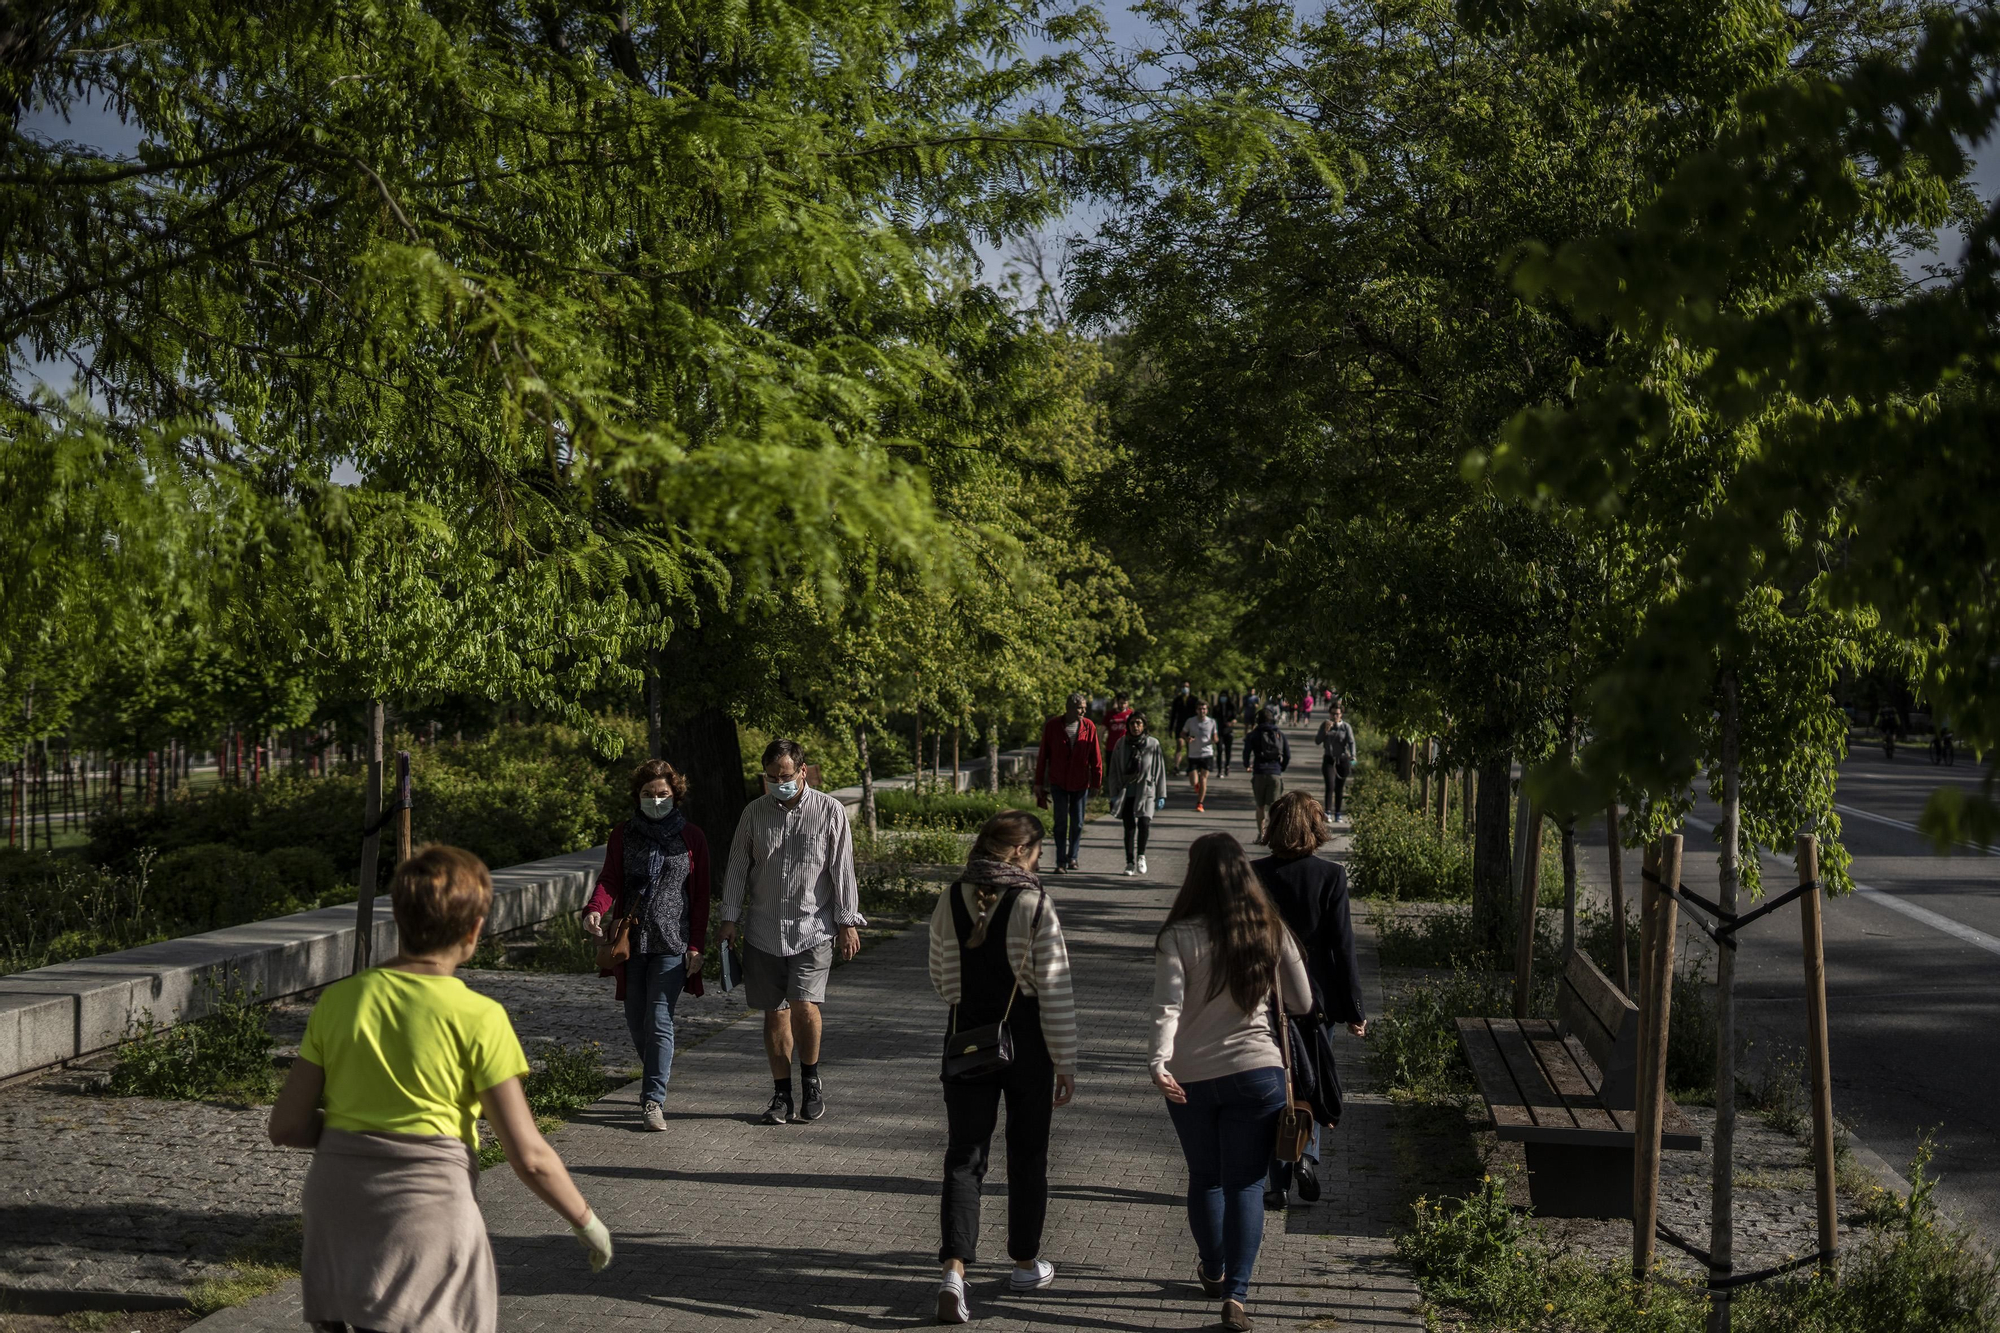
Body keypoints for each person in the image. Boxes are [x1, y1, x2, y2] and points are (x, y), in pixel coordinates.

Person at [268, 847, 613, 1333]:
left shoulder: (341, 999)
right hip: (425, 1213)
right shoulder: (479, 1017)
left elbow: (286, 1125)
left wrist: (359, 1134)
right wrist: (587, 1223)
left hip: (336, 1204)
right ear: (474, 930)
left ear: (401, 919)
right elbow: (529, 1155)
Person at [1150, 833, 1312, 1332]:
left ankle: (1214, 1270)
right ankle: (1236, 1297)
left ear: (1193, 876)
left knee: (1206, 1177)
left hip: (1191, 1077)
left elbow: (1168, 1007)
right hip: (1258, 1073)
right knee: (1245, 1182)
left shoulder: (1177, 934)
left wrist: (1159, 1062)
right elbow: (1303, 1002)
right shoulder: (1269, 929)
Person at [928, 811, 1079, 1324]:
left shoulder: (950, 898)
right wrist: (1066, 1060)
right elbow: (1055, 988)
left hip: (966, 1037)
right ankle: (1024, 1261)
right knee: (1027, 1151)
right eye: (1038, 851)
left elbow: (942, 980)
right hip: (1028, 1042)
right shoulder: (1035, 904)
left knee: (964, 1156)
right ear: (1021, 852)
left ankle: (954, 1270)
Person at [719, 739, 865, 1126]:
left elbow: (842, 870)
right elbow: (736, 867)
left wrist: (848, 921)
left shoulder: (829, 810)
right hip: (764, 929)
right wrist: (729, 919)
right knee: (775, 1013)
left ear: (802, 771)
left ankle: (811, 1080)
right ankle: (781, 1094)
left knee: (804, 1004)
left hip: (812, 926)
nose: (778, 783)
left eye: (785, 776)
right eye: (771, 777)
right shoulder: (753, 813)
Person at [581, 759, 711, 1131]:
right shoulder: (623, 834)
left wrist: (697, 946)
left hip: (673, 941)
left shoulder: (692, 838)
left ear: (676, 795)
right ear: (637, 797)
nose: (655, 800)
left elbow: (700, 897)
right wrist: (595, 910)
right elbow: (610, 879)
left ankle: (652, 1099)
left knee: (658, 1018)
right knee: (637, 1022)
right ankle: (658, 1069)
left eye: (662, 794)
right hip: (631, 941)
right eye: (648, 794)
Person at [1251, 793, 1366, 1209]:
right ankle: (1305, 1154)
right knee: (1311, 1077)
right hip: (1315, 1002)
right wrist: (1354, 1008)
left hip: (1265, 998)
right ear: (1316, 829)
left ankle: (1277, 1181)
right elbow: (1342, 947)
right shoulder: (1331, 876)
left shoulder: (1255, 874)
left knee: (1276, 1083)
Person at [1033, 693, 1103, 873]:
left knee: (1078, 822)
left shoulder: (1089, 727)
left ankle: (1073, 857)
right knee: (1061, 822)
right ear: (1069, 708)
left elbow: (1096, 756)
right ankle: (1060, 861)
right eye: (1080, 707)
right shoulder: (1053, 726)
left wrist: (1097, 781)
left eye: (1084, 707)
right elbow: (1043, 756)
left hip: (1080, 782)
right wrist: (1039, 782)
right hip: (1059, 781)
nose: (1083, 711)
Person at [1108, 712, 1168, 876]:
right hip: (1127, 791)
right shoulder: (1121, 744)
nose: (1136, 726)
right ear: (1128, 726)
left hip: (1146, 790)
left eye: (1139, 723)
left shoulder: (1153, 744)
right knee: (1129, 827)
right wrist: (1113, 793)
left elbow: (1160, 770)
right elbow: (1113, 769)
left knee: (1144, 823)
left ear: (1144, 726)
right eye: (1133, 723)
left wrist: (1161, 794)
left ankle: (1141, 855)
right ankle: (1129, 862)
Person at [1241, 707, 1292, 843]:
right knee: (1273, 807)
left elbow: (1246, 752)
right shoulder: (1279, 734)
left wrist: (1247, 764)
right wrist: (1281, 768)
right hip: (1275, 772)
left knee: (1260, 806)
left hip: (1259, 772)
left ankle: (1261, 834)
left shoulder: (1254, 734)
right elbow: (1287, 754)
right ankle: (1273, 834)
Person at [1315, 704, 1357, 824]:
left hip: (1342, 760)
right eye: (1332, 713)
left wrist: (1353, 755)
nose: (1334, 716)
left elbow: (1351, 742)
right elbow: (1317, 741)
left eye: (1337, 714)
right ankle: (1327, 811)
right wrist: (1325, 731)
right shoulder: (1325, 725)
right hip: (1329, 759)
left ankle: (1338, 813)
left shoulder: (1345, 727)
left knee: (1339, 788)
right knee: (1330, 785)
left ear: (1341, 714)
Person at [1180, 698, 1220, 813]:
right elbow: (1182, 733)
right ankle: (1197, 786)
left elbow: (1215, 736)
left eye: (1204, 709)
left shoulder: (1212, 722)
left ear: (1207, 710)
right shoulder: (1190, 721)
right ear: (1196, 710)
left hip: (1207, 753)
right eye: (1199, 709)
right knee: (1193, 781)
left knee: (1203, 778)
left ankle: (1200, 803)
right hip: (1193, 753)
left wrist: (1215, 740)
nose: (1202, 711)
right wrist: (1187, 738)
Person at [1103, 693, 1135, 794]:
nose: (1122, 705)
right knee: (1111, 771)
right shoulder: (1110, 715)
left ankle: (1125, 790)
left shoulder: (1131, 714)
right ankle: (1110, 790)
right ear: (1117, 702)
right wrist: (1099, 744)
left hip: (1126, 747)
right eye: (1121, 703)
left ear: (1128, 703)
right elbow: (1102, 730)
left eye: (1125, 703)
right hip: (1111, 748)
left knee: (1126, 770)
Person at [1167, 681, 1199, 773]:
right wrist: (1170, 728)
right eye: (1183, 686)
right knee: (1180, 745)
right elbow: (1173, 715)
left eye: (1187, 686)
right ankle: (1176, 766)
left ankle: (1190, 767)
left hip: (1191, 727)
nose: (1185, 688)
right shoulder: (1177, 700)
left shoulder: (1194, 699)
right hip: (1180, 726)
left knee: (1190, 746)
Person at [1214, 692, 1239, 779]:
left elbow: (1235, 718)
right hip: (1219, 731)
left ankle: (1227, 765)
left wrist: (1231, 722)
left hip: (1228, 731)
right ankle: (1219, 769)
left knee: (1228, 750)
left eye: (1225, 696)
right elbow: (1213, 719)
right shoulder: (1216, 708)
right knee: (1219, 750)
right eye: (1222, 696)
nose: (1223, 698)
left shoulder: (1231, 707)